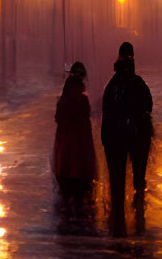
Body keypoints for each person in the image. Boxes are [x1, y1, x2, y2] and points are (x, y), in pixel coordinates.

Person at [100, 41, 154, 209]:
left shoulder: (112, 86)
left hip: (116, 138)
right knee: (138, 177)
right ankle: (138, 213)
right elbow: (148, 106)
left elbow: (107, 111)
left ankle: (117, 218)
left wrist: (106, 138)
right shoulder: (138, 83)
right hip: (137, 136)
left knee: (117, 179)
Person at [52, 62, 96, 199]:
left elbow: (58, 119)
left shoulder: (63, 99)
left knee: (65, 198)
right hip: (80, 162)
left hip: (64, 160)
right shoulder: (82, 100)